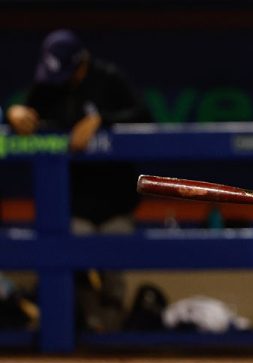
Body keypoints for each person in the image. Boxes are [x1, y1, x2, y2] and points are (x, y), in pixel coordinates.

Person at [6, 29, 152, 332]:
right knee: (72, 263)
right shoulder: (49, 86)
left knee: (113, 266)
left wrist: (101, 120)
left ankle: (113, 341)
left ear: (81, 62)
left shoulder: (108, 79)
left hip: (114, 201)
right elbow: (25, 113)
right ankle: (79, 332)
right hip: (73, 203)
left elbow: (144, 117)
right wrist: (13, 112)